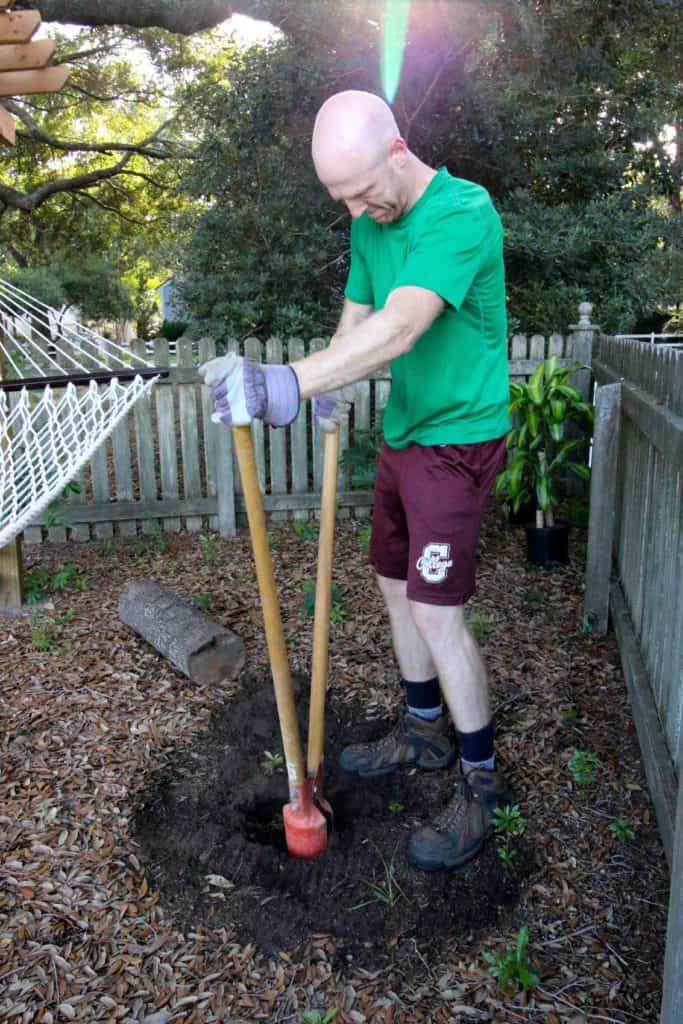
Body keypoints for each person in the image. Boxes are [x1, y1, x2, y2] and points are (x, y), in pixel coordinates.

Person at [200, 90, 511, 872]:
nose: (357, 208)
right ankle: (422, 735)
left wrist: (284, 385)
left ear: (397, 150)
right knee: (393, 590)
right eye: (340, 199)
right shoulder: (369, 221)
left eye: (360, 189)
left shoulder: (461, 212)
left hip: (458, 440)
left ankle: (480, 789)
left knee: (440, 616)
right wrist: (327, 382)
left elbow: (403, 323)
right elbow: (358, 319)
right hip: (406, 432)